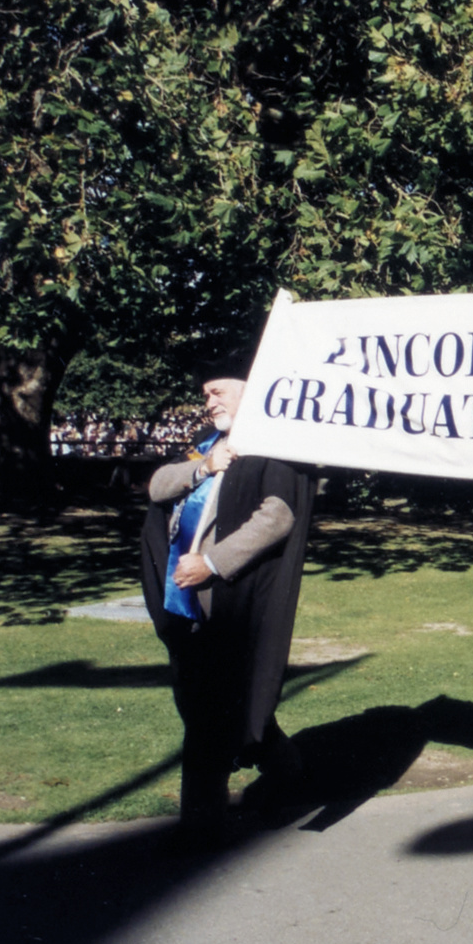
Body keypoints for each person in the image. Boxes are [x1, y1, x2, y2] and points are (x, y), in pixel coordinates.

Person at [140, 350, 317, 845]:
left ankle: (198, 830)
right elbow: (157, 486)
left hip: (229, 603)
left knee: (205, 719)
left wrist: (212, 562)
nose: (208, 400)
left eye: (218, 391)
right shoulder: (209, 446)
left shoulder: (274, 448)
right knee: (223, 709)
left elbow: (277, 516)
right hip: (185, 605)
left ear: (249, 390)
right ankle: (286, 771)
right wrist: (202, 469)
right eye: (205, 394)